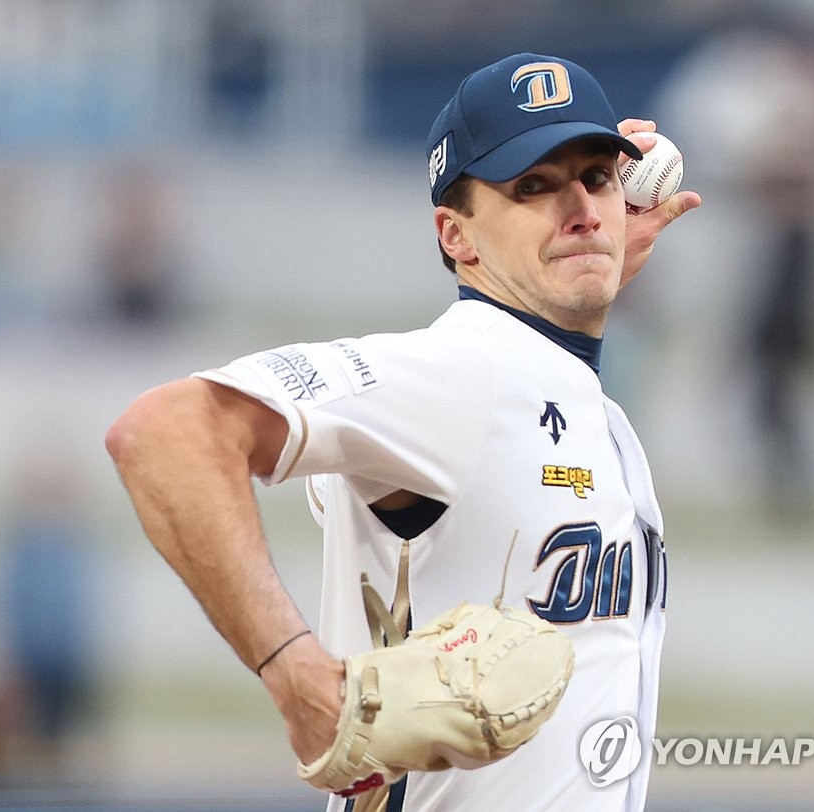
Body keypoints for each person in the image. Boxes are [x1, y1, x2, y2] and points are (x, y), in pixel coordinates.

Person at [107, 52, 700, 811]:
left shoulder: (576, 401)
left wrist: (587, 261)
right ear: (456, 236)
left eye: (598, 177)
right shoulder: (462, 374)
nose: (580, 206)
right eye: (534, 187)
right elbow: (164, 432)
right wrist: (297, 674)